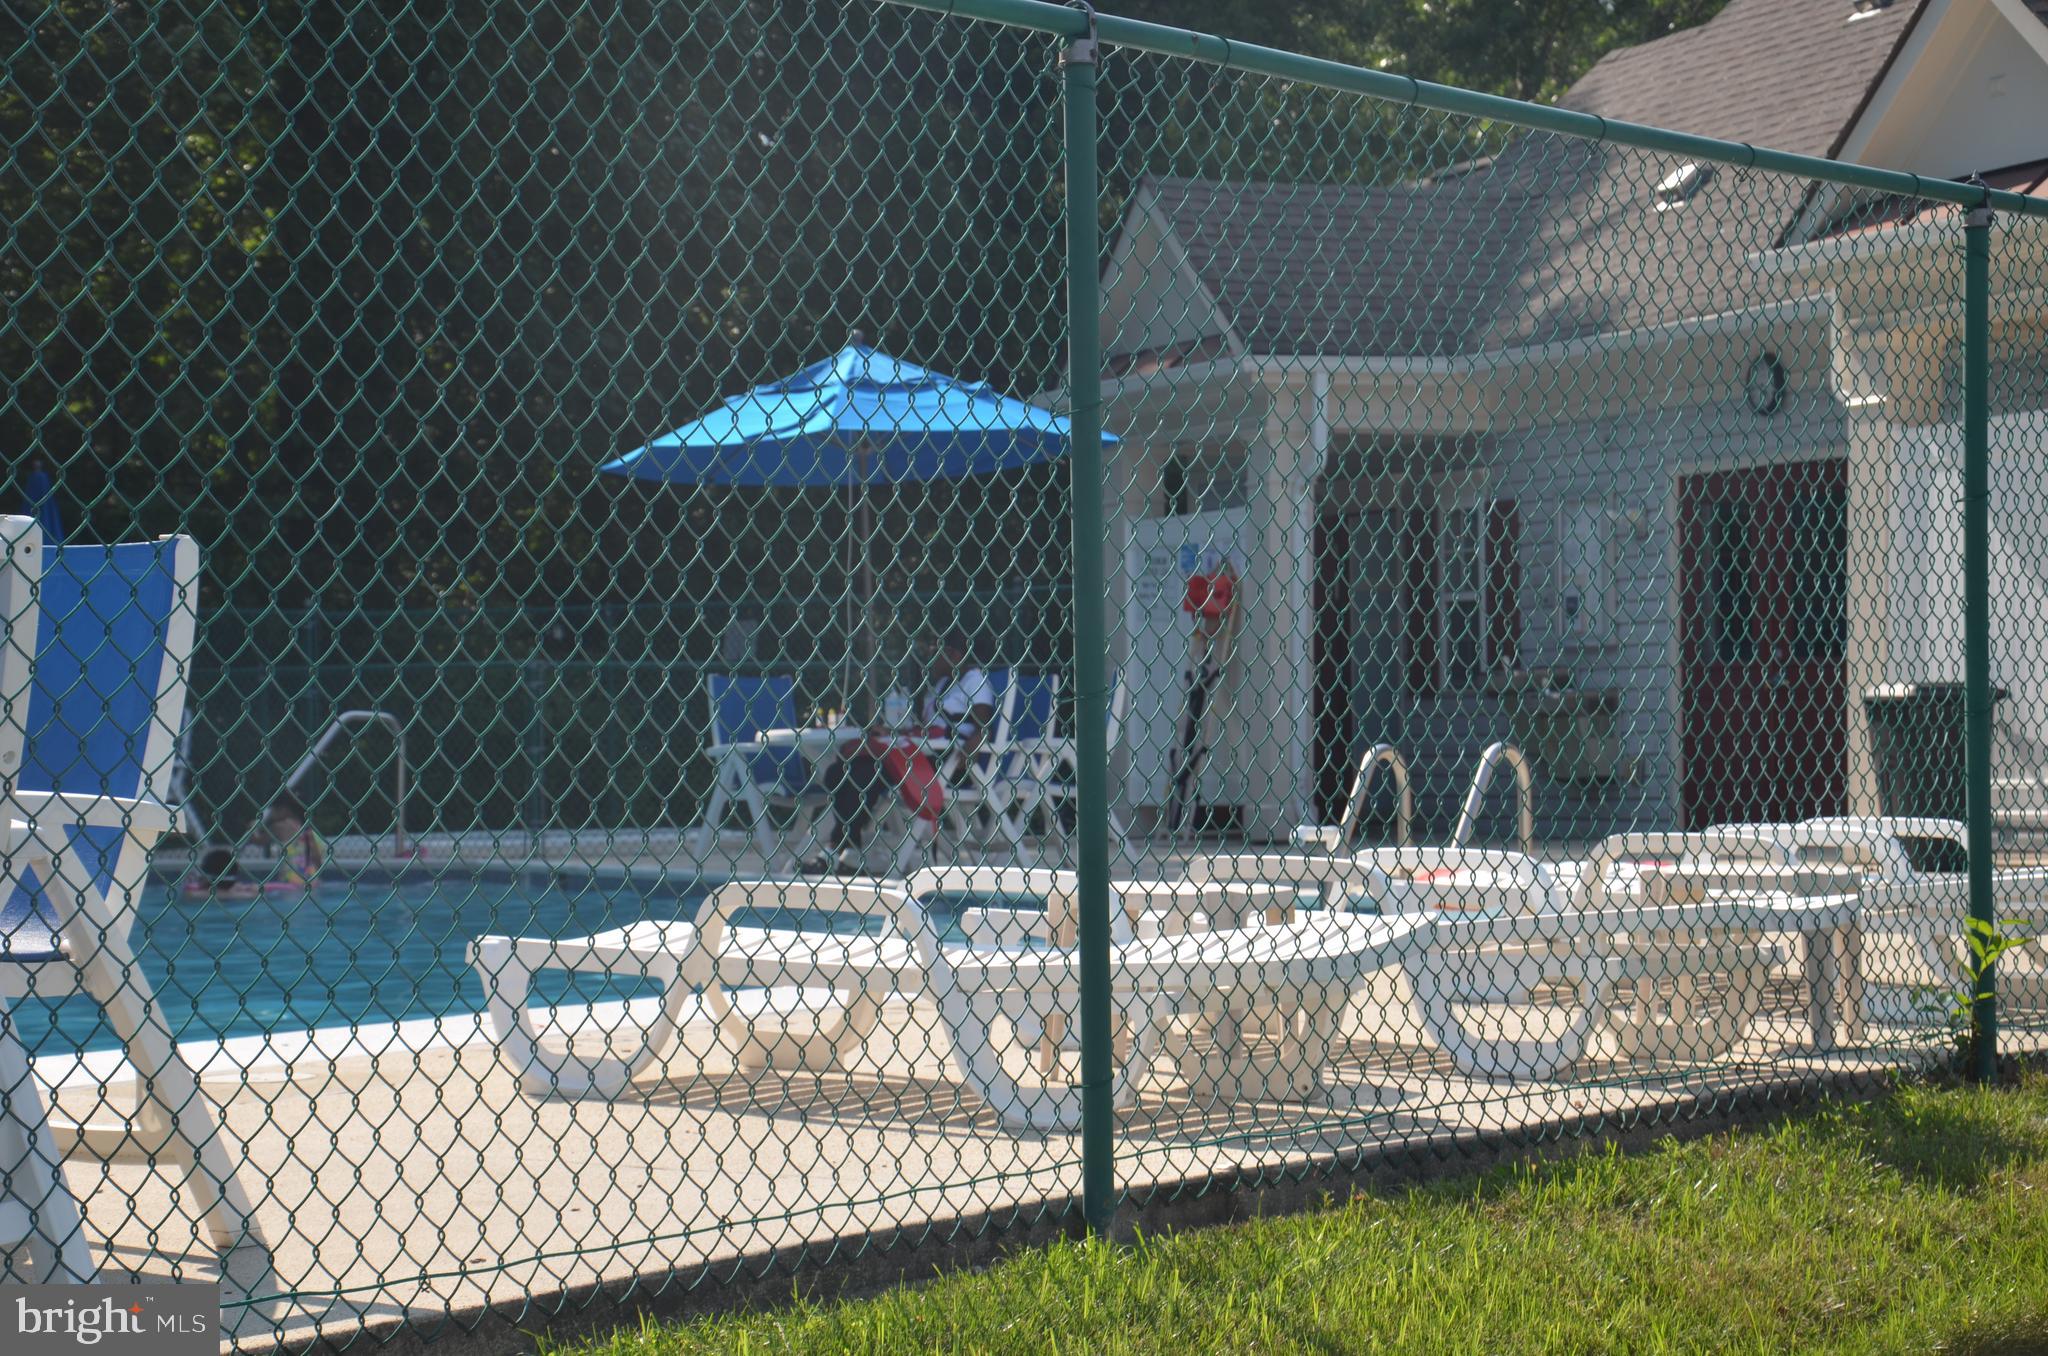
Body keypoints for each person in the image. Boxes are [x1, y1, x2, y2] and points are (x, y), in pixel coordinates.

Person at [804, 633, 996, 874]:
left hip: (945, 764)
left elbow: (983, 723)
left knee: (861, 773)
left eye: (936, 652)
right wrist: (894, 731)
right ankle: (844, 850)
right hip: (917, 756)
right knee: (843, 772)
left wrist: (972, 746)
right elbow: (927, 728)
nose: (930, 659)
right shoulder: (943, 685)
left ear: (954, 655)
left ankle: (839, 850)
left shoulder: (975, 680)